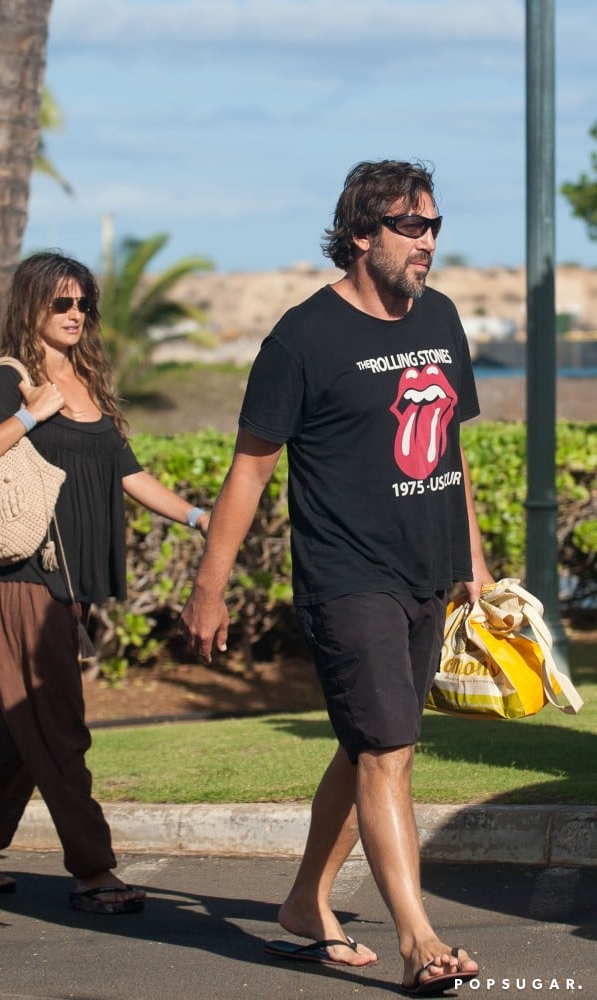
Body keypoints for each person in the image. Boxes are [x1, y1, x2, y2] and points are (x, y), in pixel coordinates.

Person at [180, 160, 491, 994]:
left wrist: (475, 563)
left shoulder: (444, 317)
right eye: (409, 226)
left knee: (368, 745)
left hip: (428, 568)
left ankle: (303, 904)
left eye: (433, 226)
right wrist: (210, 588)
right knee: (388, 749)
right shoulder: (301, 340)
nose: (427, 242)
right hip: (347, 576)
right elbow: (249, 472)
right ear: (360, 234)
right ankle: (419, 938)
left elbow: (453, 452)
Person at [0, 250, 209, 914]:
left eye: (84, 302)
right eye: (62, 303)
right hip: (23, 574)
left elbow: (129, 473)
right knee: (59, 723)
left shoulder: (87, 382)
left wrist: (202, 517)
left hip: (70, 582)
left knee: (29, 724)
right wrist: (31, 414)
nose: (76, 314)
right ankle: (94, 869)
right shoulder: (14, 378)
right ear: (32, 306)